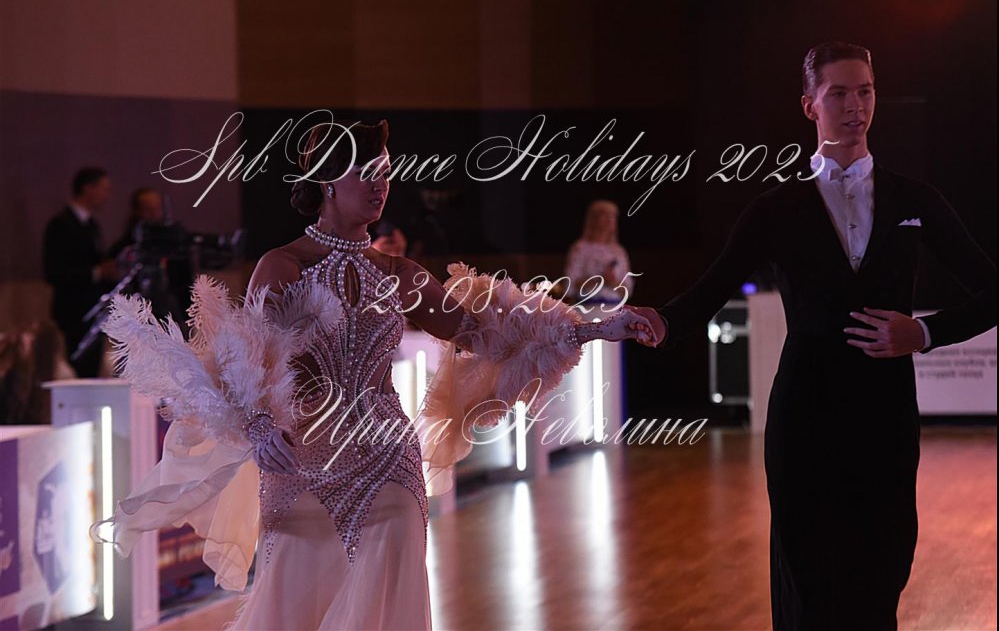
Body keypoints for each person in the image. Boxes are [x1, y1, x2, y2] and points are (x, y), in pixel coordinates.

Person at [96, 119, 658, 630]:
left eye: (385, 172)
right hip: (302, 466)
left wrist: (594, 327)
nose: (380, 184)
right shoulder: (283, 266)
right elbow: (240, 365)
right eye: (365, 171)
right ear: (326, 181)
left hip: (390, 462)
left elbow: (491, 330)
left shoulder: (399, 273)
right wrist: (259, 425)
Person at [631, 41, 996, 629]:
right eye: (839, 93)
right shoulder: (775, 208)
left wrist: (924, 333)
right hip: (804, 416)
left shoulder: (916, 201)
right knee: (808, 583)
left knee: (882, 572)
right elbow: (706, 293)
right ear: (809, 105)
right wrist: (659, 321)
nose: (856, 106)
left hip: (885, 415)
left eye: (866, 92)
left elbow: (992, 292)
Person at [42, 167, 119, 377]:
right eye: (104, 189)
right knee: (79, 370)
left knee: (92, 368)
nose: (107, 196)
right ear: (88, 188)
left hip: (94, 310)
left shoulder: (92, 225)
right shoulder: (61, 224)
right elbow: (53, 272)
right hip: (73, 312)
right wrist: (96, 272)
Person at [564, 200, 635, 305]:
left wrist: (613, 282)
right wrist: (599, 280)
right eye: (604, 215)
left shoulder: (619, 251)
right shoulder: (580, 248)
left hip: (614, 307)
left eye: (612, 216)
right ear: (593, 219)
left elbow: (628, 289)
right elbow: (570, 284)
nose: (609, 219)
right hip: (588, 306)